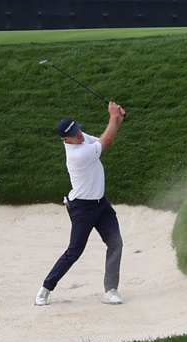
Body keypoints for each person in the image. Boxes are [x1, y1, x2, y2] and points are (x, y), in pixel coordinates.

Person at [36, 102, 127, 307]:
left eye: (78, 130)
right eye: (74, 134)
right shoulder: (76, 155)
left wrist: (118, 119)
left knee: (115, 243)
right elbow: (108, 138)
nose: (79, 135)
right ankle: (46, 288)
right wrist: (113, 116)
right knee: (74, 251)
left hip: (101, 204)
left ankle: (110, 290)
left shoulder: (82, 137)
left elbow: (106, 140)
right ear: (65, 139)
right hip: (82, 209)